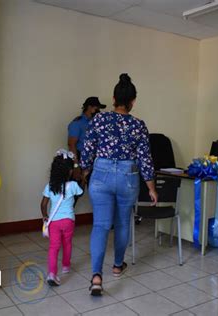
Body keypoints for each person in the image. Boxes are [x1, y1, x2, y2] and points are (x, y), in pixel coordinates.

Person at [80, 73, 158, 296]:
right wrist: (151, 187)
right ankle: (117, 265)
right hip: (127, 175)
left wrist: (85, 170)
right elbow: (145, 158)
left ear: (114, 98)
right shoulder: (139, 125)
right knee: (123, 223)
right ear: (133, 101)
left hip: (101, 174)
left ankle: (96, 276)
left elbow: (87, 148)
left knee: (101, 225)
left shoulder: (99, 119)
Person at [40, 149, 83, 286]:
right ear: (69, 171)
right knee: (67, 243)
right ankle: (66, 266)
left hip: (54, 222)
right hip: (68, 221)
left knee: (54, 247)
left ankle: (52, 273)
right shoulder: (73, 186)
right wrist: (79, 170)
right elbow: (80, 190)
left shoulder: (50, 186)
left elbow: (43, 204)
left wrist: (45, 217)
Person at [68, 97, 106, 184]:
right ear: (89, 107)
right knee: (74, 192)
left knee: (96, 191)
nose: (98, 111)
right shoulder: (77, 123)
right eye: (96, 108)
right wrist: (76, 166)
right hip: (79, 158)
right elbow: (71, 145)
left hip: (93, 161)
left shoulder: (95, 123)